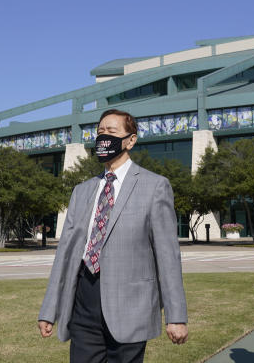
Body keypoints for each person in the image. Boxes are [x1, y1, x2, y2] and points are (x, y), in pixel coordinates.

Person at [38, 109, 188, 362]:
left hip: (131, 308)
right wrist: (48, 310)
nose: (103, 137)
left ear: (131, 140)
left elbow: (167, 256)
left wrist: (176, 316)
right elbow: (65, 253)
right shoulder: (82, 190)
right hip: (83, 305)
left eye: (112, 132)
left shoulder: (155, 186)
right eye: (100, 132)